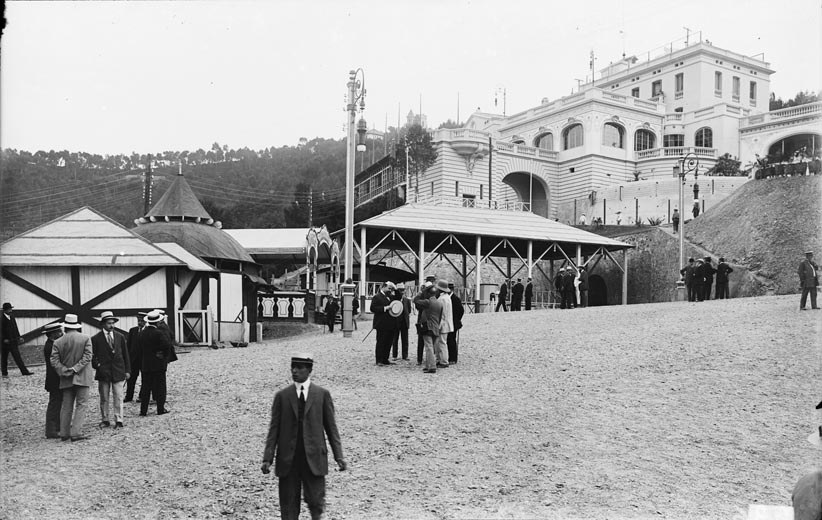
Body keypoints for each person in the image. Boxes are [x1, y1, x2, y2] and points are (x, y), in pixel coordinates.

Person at [261, 354, 346, 520]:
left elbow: (331, 428)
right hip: (288, 460)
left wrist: (339, 456)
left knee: (316, 503)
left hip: (314, 459)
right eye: (293, 367)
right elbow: (274, 430)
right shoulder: (282, 396)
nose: (295, 371)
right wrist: (267, 458)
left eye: (300, 368)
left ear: (309, 370)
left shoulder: (322, 395)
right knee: (288, 506)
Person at [50, 314, 93, 442]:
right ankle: (76, 432)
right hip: (82, 376)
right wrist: (76, 368)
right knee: (82, 404)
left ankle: (64, 432)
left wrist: (64, 370)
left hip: (66, 377)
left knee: (66, 406)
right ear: (76, 325)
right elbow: (87, 356)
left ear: (65, 327)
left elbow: (54, 360)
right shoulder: (85, 338)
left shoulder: (58, 342)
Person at [91, 311, 130, 428]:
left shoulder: (120, 337)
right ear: (103, 324)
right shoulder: (96, 338)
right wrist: (97, 366)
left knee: (118, 396)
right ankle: (105, 419)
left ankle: (119, 419)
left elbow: (125, 354)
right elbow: (92, 356)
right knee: (104, 397)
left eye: (113, 323)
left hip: (118, 371)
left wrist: (127, 370)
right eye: (109, 323)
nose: (111, 326)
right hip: (104, 372)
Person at [138, 310, 172, 416]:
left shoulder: (142, 333)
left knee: (146, 387)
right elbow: (167, 345)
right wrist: (162, 354)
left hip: (146, 364)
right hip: (158, 364)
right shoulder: (159, 333)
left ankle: (143, 410)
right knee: (160, 387)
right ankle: (160, 409)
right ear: (157, 322)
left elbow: (139, 348)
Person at [413, 283, 443, 374]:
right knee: (432, 347)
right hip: (436, 327)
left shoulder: (427, 302)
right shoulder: (439, 303)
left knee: (428, 347)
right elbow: (440, 317)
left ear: (429, 294)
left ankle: (432, 367)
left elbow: (415, 301)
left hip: (428, 327)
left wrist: (420, 293)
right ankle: (428, 365)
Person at [42, 322, 64, 439]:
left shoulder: (52, 344)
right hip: (54, 380)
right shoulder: (50, 346)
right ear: (53, 334)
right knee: (54, 405)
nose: (61, 333)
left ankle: (58, 426)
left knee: (58, 403)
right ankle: (51, 430)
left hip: (55, 380)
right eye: (59, 332)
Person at [1, 302, 33, 376]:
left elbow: (16, 328)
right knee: (4, 358)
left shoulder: (12, 317)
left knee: (17, 357)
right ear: (5, 310)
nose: (10, 311)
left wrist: (19, 337)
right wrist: (3, 339)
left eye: (11, 309)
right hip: (4, 343)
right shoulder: (1, 319)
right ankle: (4, 373)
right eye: (9, 309)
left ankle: (24, 372)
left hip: (13, 341)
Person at [370, 282, 397, 366]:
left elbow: (398, 297)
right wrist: (385, 308)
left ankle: (385, 359)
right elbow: (373, 308)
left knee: (389, 342)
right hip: (381, 323)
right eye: (389, 288)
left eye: (391, 289)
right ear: (384, 287)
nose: (390, 290)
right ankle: (379, 360)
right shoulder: (377, 297)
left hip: (391, 323)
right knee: (381, 342)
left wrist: (395, 288)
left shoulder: (390, 296)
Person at [124, 312, 147, 403]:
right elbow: (128, 346)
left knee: (145, 379)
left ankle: (142, 396)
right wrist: (128, 359)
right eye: (138, 320)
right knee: (131, 379)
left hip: (144, 360)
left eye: (141, 321)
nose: (139, 323)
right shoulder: (133, 331)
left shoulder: (147, 331)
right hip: (133, 360)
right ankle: (129, 396)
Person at [391, 283, 413, 361]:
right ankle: (394, 355)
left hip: (404, 322)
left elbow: (409, 310)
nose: (402, 292)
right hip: (396, 322)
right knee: (395, 339)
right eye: (400, 290)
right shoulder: (394, 300)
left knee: (405, 340)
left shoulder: (407, 300)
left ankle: (405, 355)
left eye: (403, 290)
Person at [436, 280, 453, 369]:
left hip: (443, 323)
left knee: (441, 343)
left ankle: (443, 361)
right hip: (447, 323)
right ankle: (442, 360)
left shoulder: (441, 299)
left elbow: (441, 313)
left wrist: (439, 325)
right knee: (442, 342)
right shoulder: (447, 297)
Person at [446, 282, 464, 364]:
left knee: (451, 340)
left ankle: (453, 358)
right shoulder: (448, 298)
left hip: (454, 323)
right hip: (449, 322)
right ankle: (450, 357)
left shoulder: (455, 299)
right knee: (449, 340)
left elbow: (461, 311)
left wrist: (457, 320)